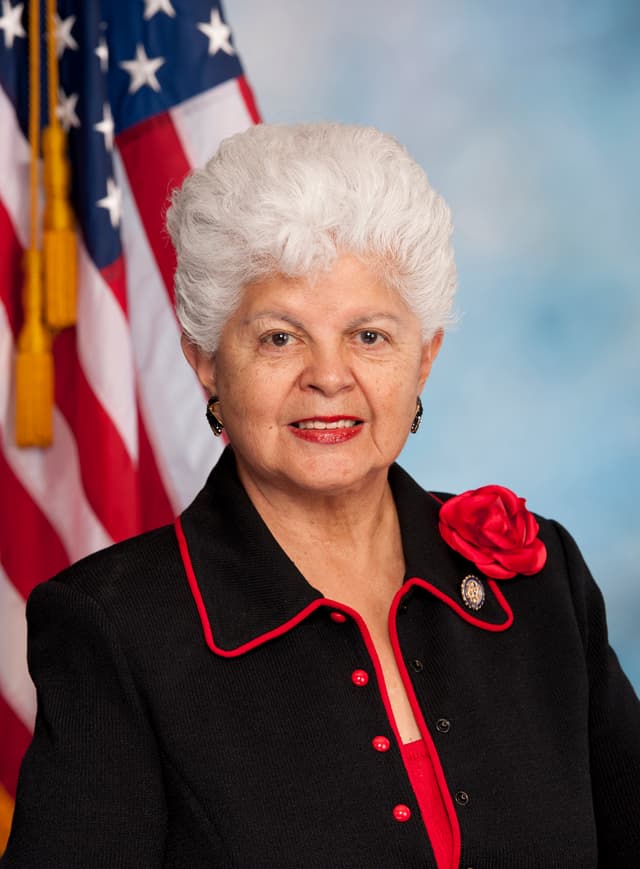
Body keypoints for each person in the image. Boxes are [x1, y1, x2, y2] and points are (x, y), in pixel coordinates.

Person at [3, 122, 639, 869]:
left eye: (369, 335)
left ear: (424, 357)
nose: (328, 376)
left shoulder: (540, 582)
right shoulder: (113, 626)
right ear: (205, 361)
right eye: (279, 337)